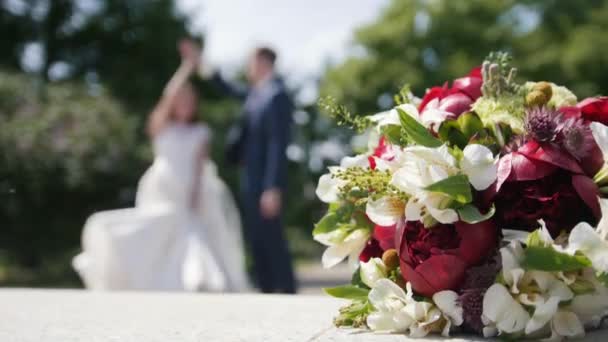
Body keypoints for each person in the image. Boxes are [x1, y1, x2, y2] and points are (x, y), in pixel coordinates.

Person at [72, 54, 249, 292]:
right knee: (157, 232)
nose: (185, 105)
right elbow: (169, 94)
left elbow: (200, 166)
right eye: (181, 100)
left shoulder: (201, 132)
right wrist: (186, 68)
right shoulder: (161, 124)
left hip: (188, 189)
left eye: (189, 101)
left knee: (188, 232)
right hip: (161, 188)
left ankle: (191, 279)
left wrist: (196, 193)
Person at [181, 40, 296, 294]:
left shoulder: (276, 95)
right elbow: (226, 87)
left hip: (266, 185)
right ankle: (267, 291)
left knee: (272, 239)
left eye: (251, 61)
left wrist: (273, 187)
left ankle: (287, 292)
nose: (247, 67)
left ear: (264, 62)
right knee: (256, 240)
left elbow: (278, 144)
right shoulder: (256, 94)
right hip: (250, 180)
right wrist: (200, 63)